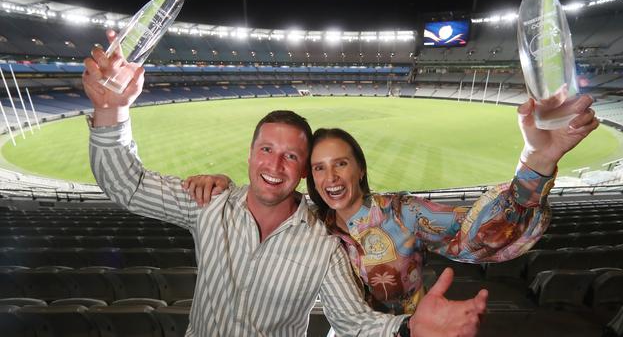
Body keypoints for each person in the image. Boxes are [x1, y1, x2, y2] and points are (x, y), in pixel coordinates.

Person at [82, 30, 488, 337]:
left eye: (291, 156)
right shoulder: (209, 202)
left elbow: (353, 321)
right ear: (250, 154)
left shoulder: (325, 240)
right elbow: (126, 184)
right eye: (266, 150)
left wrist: (409, 329)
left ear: (303, 171)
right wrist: (111, 110)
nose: (275, 164)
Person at [185, 86, 598, 315]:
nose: (331, 178)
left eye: (340, 164)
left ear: (359, 168)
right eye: (319, 168)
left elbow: (479, 238)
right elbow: (261, 202)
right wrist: (220, 183)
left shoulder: (404, 214)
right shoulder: (308, 220)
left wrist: (537, 160)